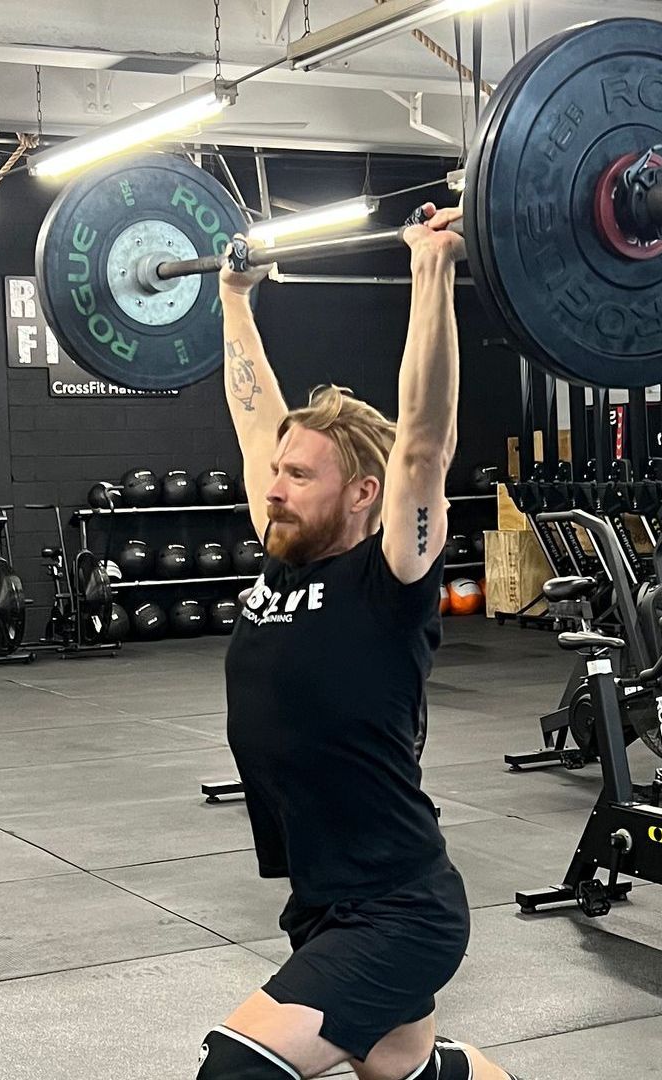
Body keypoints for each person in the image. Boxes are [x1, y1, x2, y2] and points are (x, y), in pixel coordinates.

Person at [201, 205, 517, 1080]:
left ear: (365, 493)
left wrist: (431, 268)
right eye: (276, 473)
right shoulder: (286, 554)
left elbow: (425, 440)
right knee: (404, 1072)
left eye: (298, 476)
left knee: (239, 1069)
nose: (274, 488)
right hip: (323, 897)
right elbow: (252, 409)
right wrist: (234, 299)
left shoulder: (391, 580)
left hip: (399, 906)